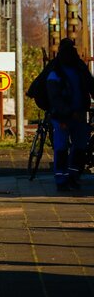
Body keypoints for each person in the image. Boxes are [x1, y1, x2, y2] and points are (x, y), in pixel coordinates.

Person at [44, 37, 93, 190]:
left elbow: (55, 98)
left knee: (63, 147)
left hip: (68, 116)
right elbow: (90, 86)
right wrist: (69, 112)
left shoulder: (56, 72)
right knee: (76, 146)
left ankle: (64, 178)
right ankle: (69, 177)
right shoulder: (78, 69)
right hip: (67, 116)